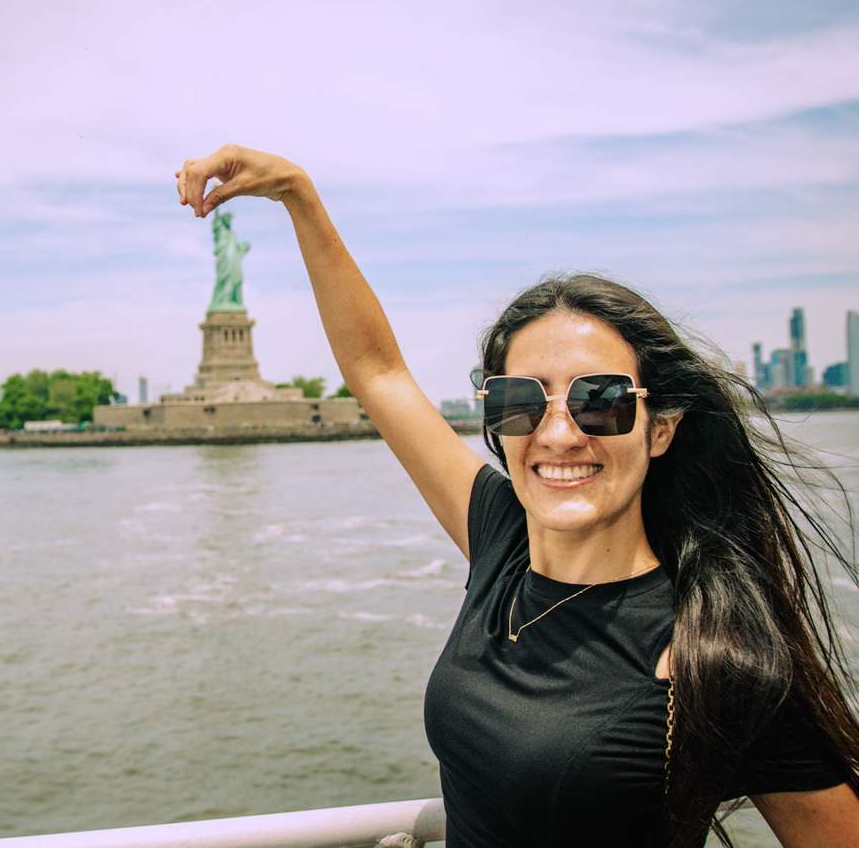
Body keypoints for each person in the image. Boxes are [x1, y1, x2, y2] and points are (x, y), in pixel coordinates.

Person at [174, 144, 859, 848]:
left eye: (599, 400)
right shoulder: (500, 541)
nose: (558, 434)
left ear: (660, 429)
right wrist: (298, 195)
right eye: (518, 401)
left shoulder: (714, 653)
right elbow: (376, 371)